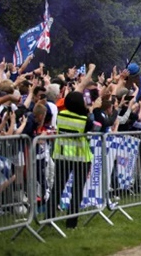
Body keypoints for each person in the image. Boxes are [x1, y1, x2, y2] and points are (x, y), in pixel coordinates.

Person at [49, 91, 94, 228]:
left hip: (62, 155)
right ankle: (71, 223)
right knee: (77, 190)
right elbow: (90, 133)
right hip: (81, 157)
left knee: (57, 188)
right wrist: (89, 111)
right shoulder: (85, 120)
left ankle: (48, 219)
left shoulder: (60, 115)